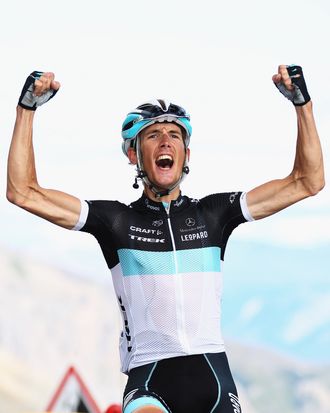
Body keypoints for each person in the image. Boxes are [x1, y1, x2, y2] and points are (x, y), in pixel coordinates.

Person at [7, 65, 324, 413]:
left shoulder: (214, 215)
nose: (165, 141)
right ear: (133, 154)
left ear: (186, 154)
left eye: (174, 134)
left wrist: (302, 105)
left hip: (213, 376)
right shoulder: (116, 222)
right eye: (153, 135)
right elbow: (23, 192)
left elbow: (307, 181)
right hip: (149, 376)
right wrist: (27, 109)